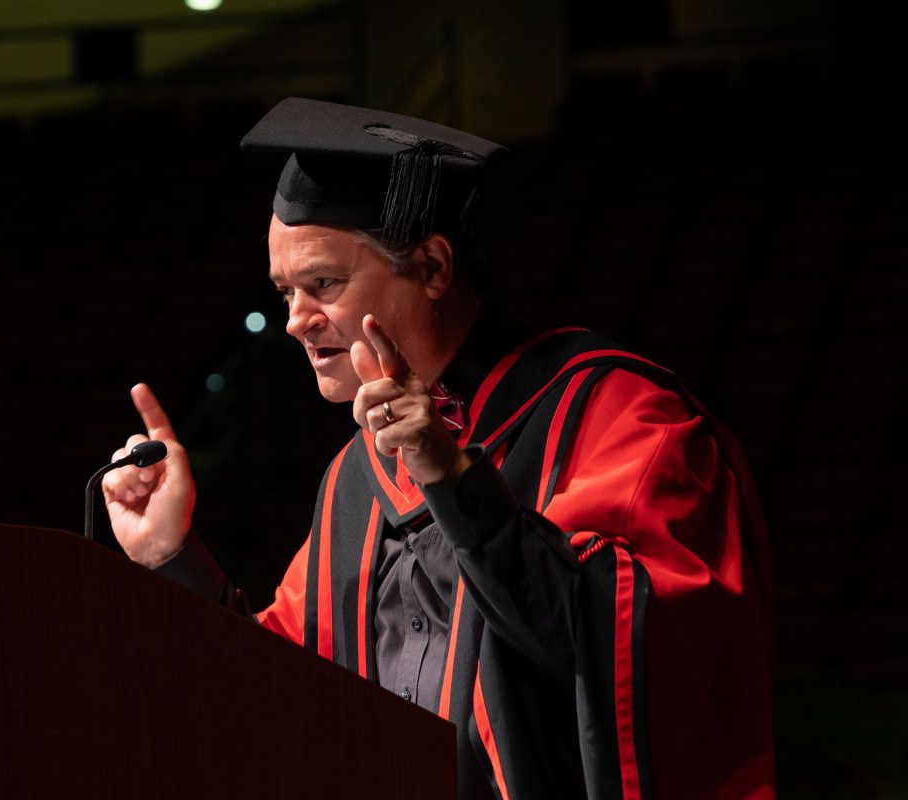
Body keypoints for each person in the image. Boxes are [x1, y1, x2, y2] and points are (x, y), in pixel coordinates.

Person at [101, 98, 776, 799]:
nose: (296, 321)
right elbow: (286, 697)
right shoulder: (356, 478)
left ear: (431, 266)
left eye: (322, 284)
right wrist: (169, 555)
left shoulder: (622, 419)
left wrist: (453, 480)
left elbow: (617, 660)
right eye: (284, 292)